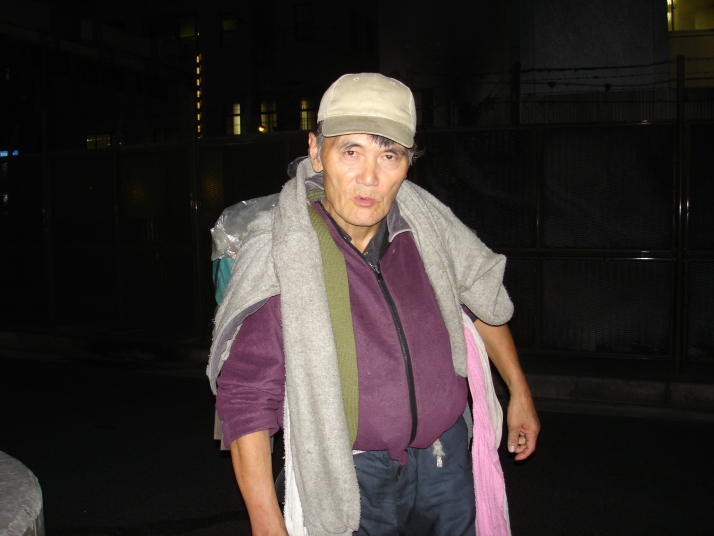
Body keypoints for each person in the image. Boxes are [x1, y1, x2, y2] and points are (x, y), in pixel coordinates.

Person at [207, 73, 539, 536]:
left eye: (389, 155)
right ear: (316, 151)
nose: (369, 177)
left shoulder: (430, 228)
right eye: (351, 151)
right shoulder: (281, 252)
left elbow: (482, 300)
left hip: (445, 460)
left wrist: (519, 392)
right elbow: (246, 396)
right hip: (350, 473)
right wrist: (267, 524)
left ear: (407, 163)